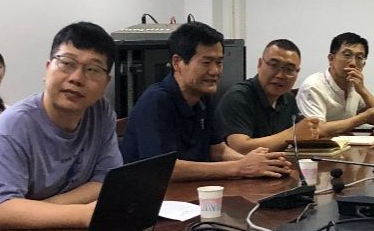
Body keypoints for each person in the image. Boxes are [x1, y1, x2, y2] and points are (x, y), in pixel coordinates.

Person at [0, 22, 122, 231]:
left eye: (93, 70)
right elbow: (0, 210)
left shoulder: (101, 113)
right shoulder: (15, 125)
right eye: (67, 63)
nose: (77, 78)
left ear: (106, 83)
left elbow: (106, 180)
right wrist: (81, 215)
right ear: (47, 68)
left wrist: (45, 208)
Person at [121, 22, 294, 181]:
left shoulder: (204, 97)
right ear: (177, 62)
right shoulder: (156, 101)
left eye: (219, 62)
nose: (215, 71)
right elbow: (164, 168)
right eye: (206, 62)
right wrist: (239, 167)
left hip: (194, 190)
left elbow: (218, 150)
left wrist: (260, 164)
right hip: (156, 196)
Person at [216, 39, 322, 153]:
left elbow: (301, 136)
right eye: (274, 65)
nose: (280, 75)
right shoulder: (238, 97)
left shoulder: (288, 98)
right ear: (260, 64)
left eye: (289, 69)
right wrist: (292, 134)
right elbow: (240, 148)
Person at [295, 32, 374, 135]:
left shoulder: (355, 86)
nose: (353, 63)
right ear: (331, 59)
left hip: (347, 143)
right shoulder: (313, 86)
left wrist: (363, 91)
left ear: (363, 64)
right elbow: (317, 130)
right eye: (347, 55)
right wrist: (362, 118)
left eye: (359, 57)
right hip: (317, 145)